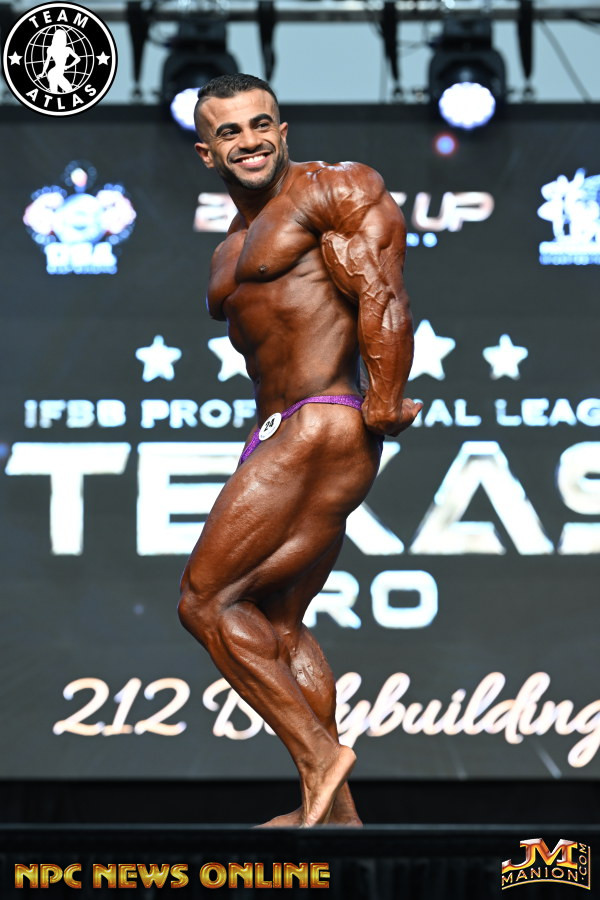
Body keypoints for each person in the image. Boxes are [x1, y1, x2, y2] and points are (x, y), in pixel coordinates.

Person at [178, 73, 422, 827]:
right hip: (279, 428)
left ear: (283, 131)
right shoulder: (228, 249)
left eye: (262, 125)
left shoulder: (332, 189)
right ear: (207, 152)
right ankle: (338, 815)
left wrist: (385, 397)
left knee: (205, 601)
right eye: (229, 132)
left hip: (325, 416)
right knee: (276, 626)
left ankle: (320, 760)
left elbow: (381, 290)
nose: (249, 141)